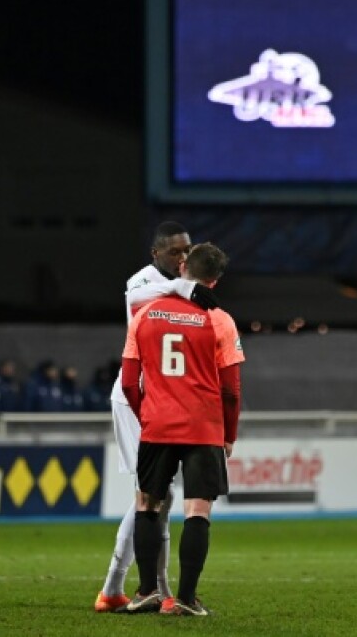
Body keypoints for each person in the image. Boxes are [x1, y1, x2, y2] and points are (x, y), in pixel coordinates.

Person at [94, 220, 216, 613]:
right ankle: (127, 586)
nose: (183, 257)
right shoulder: (141, 282)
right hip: (136, 398)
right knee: (151, 493)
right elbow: (138, 304)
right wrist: (184, 287)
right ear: (156, 254)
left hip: (167, 402)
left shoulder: (186, 289)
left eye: (187, 251)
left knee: (160, 495)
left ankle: (140, 589)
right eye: (175, 252)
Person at [118, 242, 242, 617]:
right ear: (215, 280)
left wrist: (148, 414)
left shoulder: (145, 312)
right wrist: (229, 434)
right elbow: (231, 390)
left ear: (183, 266)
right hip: (203, 427)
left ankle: (146, 592)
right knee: (197, 510)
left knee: (147, 504)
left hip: (158, 424)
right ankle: (185, 599)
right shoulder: (219, 318)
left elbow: (128, 381)